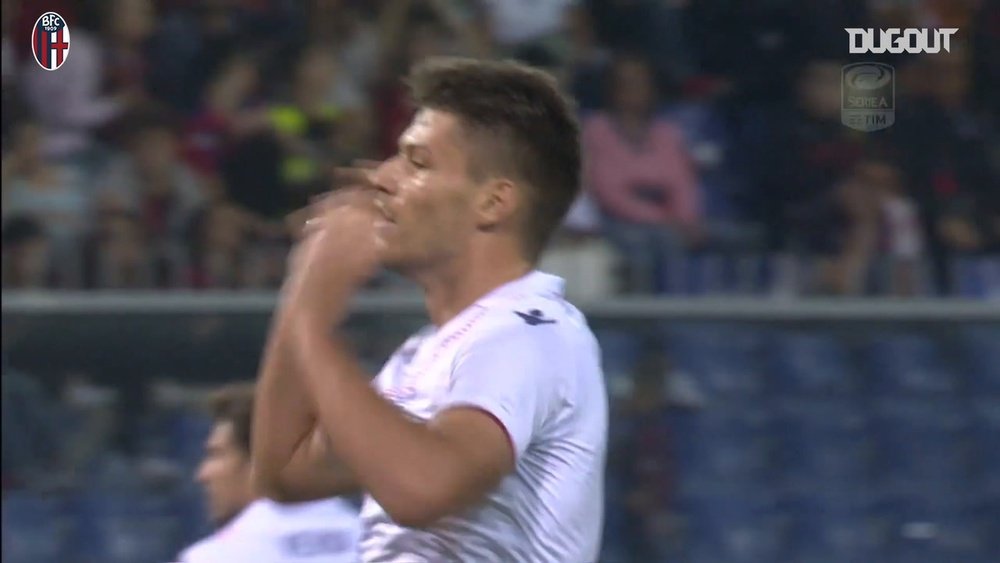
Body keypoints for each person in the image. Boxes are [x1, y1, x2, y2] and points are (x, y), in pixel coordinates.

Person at [252, 57, 608, 562]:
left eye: (417, 163)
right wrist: (304, 295)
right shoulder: (423, 353)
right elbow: (286, 471)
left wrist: (314, 315)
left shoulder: (531, 332)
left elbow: (422, 488)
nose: (382, 178)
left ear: (494, 203)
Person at [176, 382, 360, 562]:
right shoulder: (371, 539)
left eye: (216, 454)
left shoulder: (213, 556)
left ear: (259, 463)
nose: (202, 474)